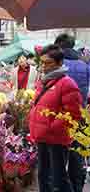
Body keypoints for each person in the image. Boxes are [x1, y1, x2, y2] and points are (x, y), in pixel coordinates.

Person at [29, 44, 82, 192]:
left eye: (48, 63)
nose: (44, 66)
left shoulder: (67, 84)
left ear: (59, 63)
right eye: (42, 62)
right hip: (42, 138)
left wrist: (51, 128)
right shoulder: (43, 82)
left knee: (59, 180)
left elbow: (73, 115)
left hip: (56, 140)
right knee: (43, 176)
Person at [55, 33, 89, 192]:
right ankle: (77, 187)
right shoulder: (85, 65)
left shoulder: (59, 66)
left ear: (60, 46)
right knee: (77, 157)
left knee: (59, 158)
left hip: (60, 118)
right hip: (80, 117)